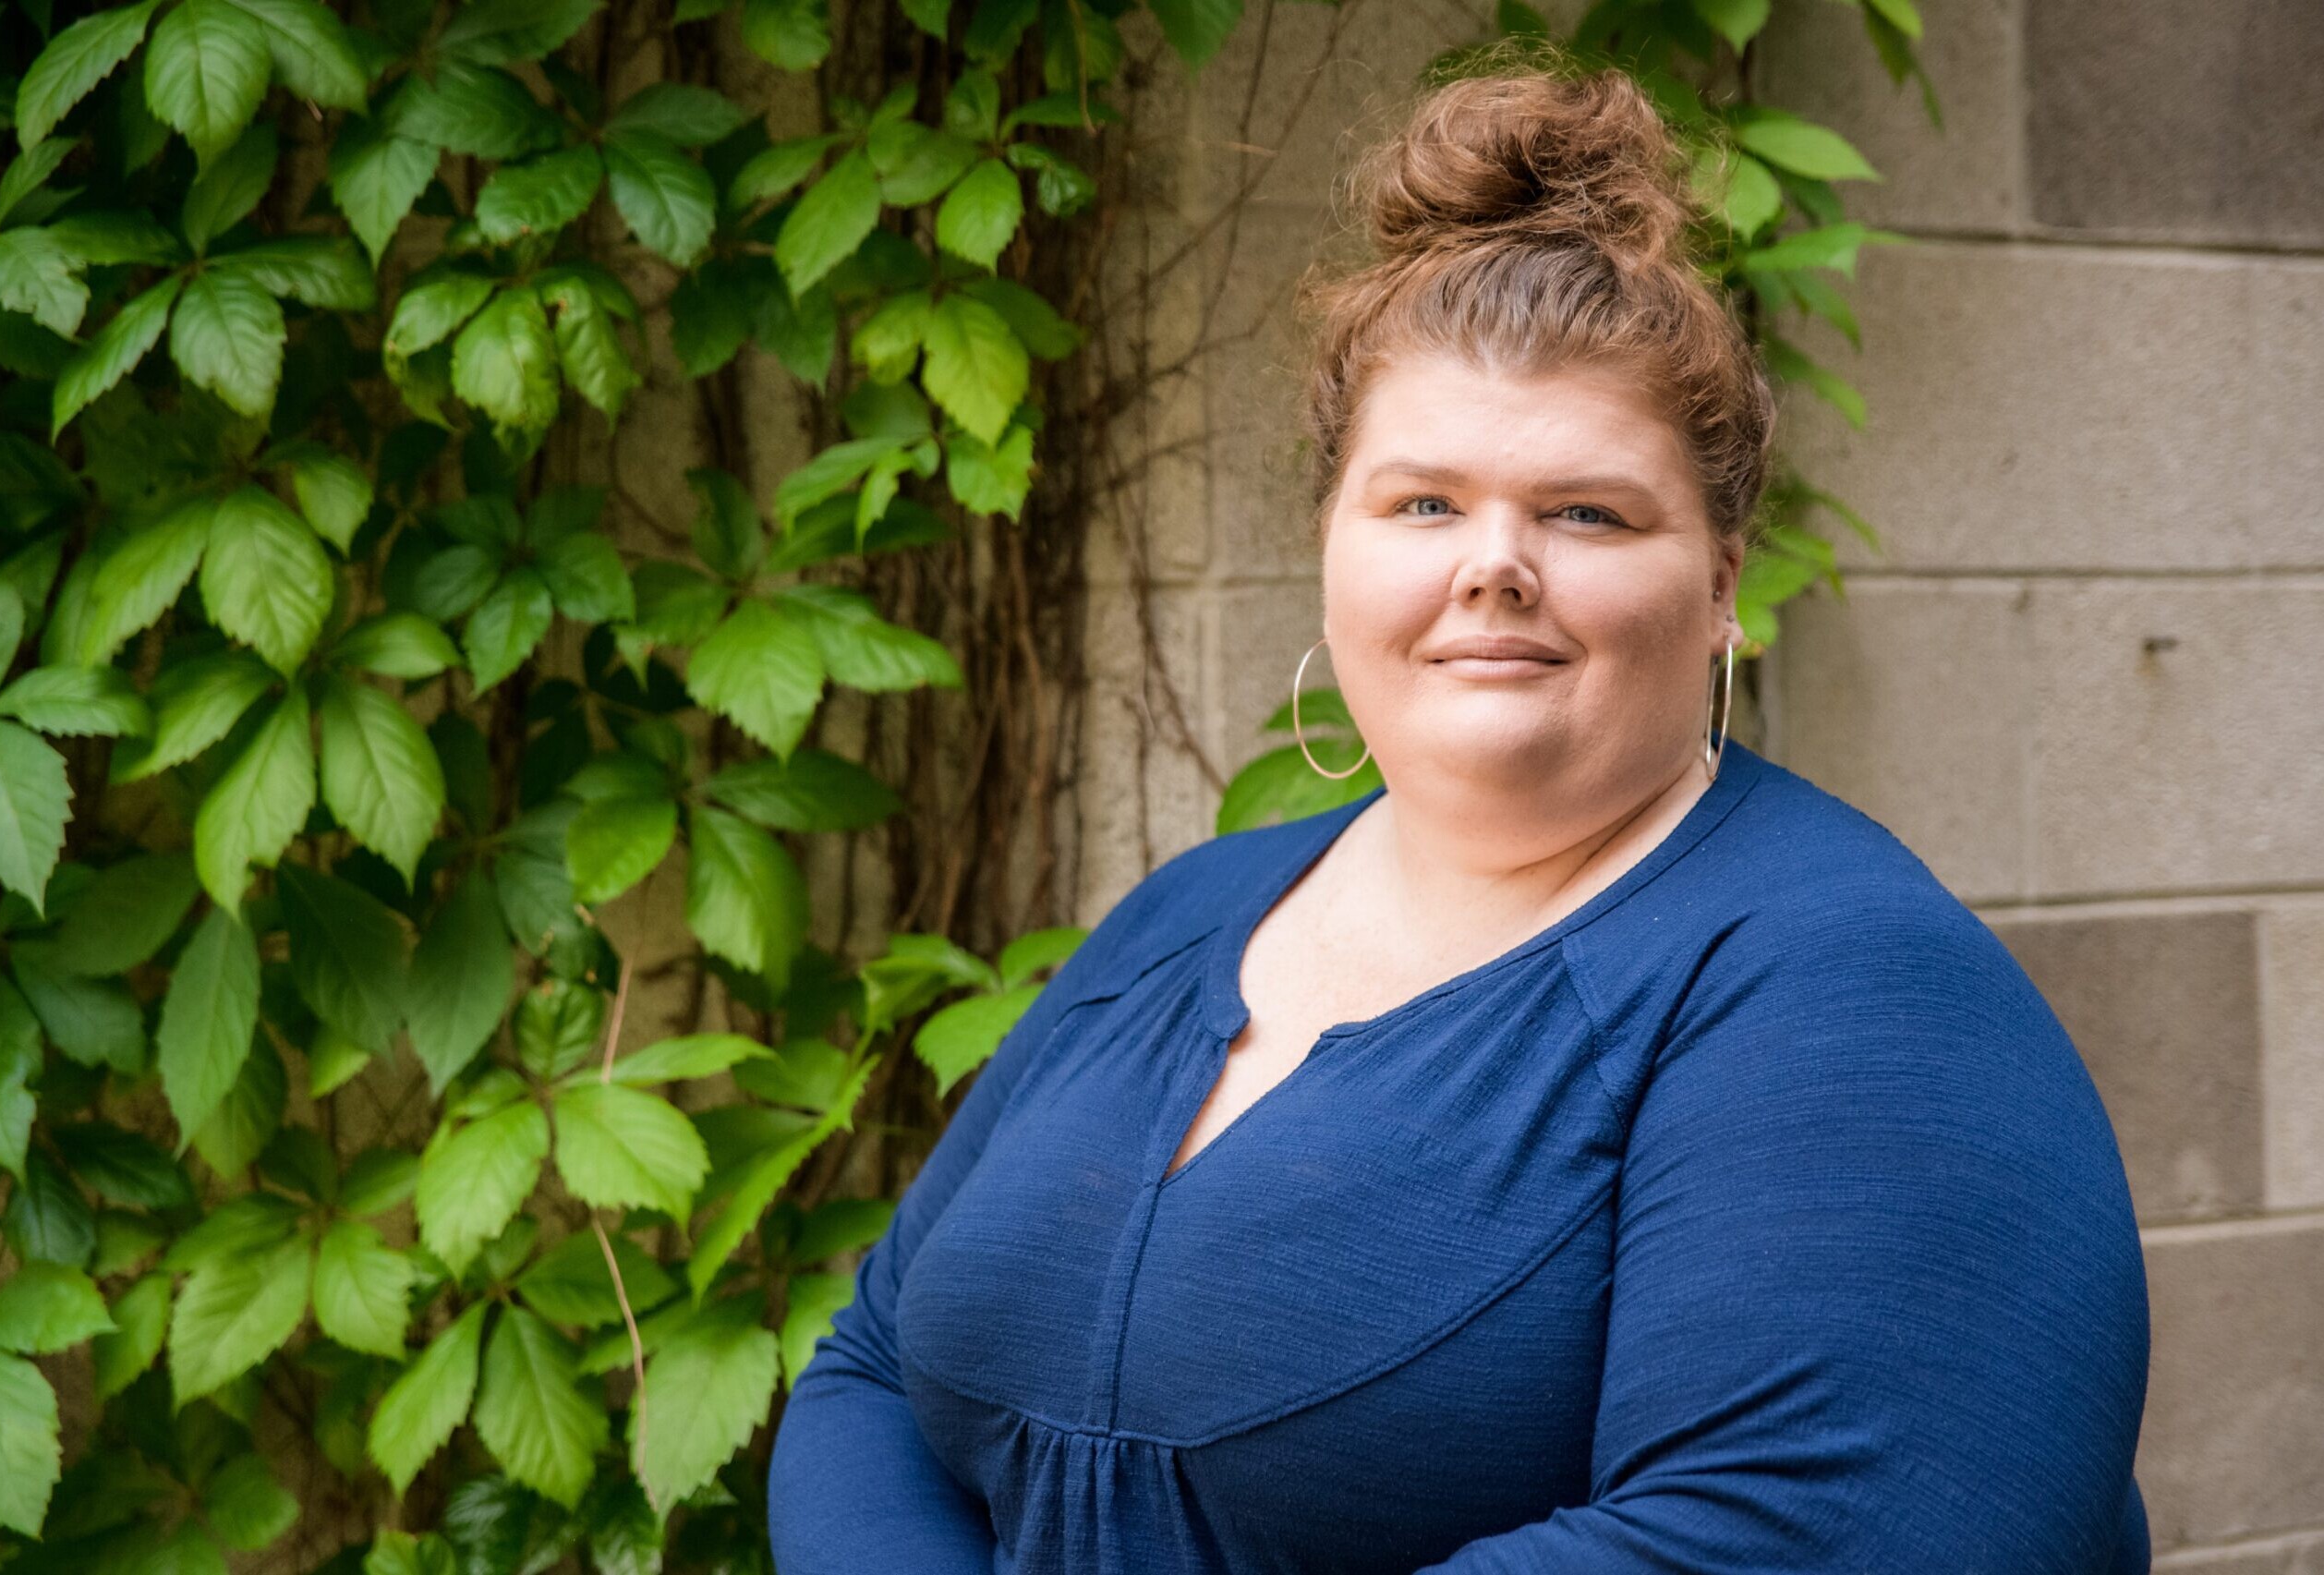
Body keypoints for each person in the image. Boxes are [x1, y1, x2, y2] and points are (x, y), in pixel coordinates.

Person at [766, 48, 2151, 1575]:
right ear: (1331, 546)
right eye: (1422, 502)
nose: (1491, 562)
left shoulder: (1845, 984)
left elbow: (1816, 1537)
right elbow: (875, 1375)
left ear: (1721, 588)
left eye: (1585, 511)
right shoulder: (1182, 920)